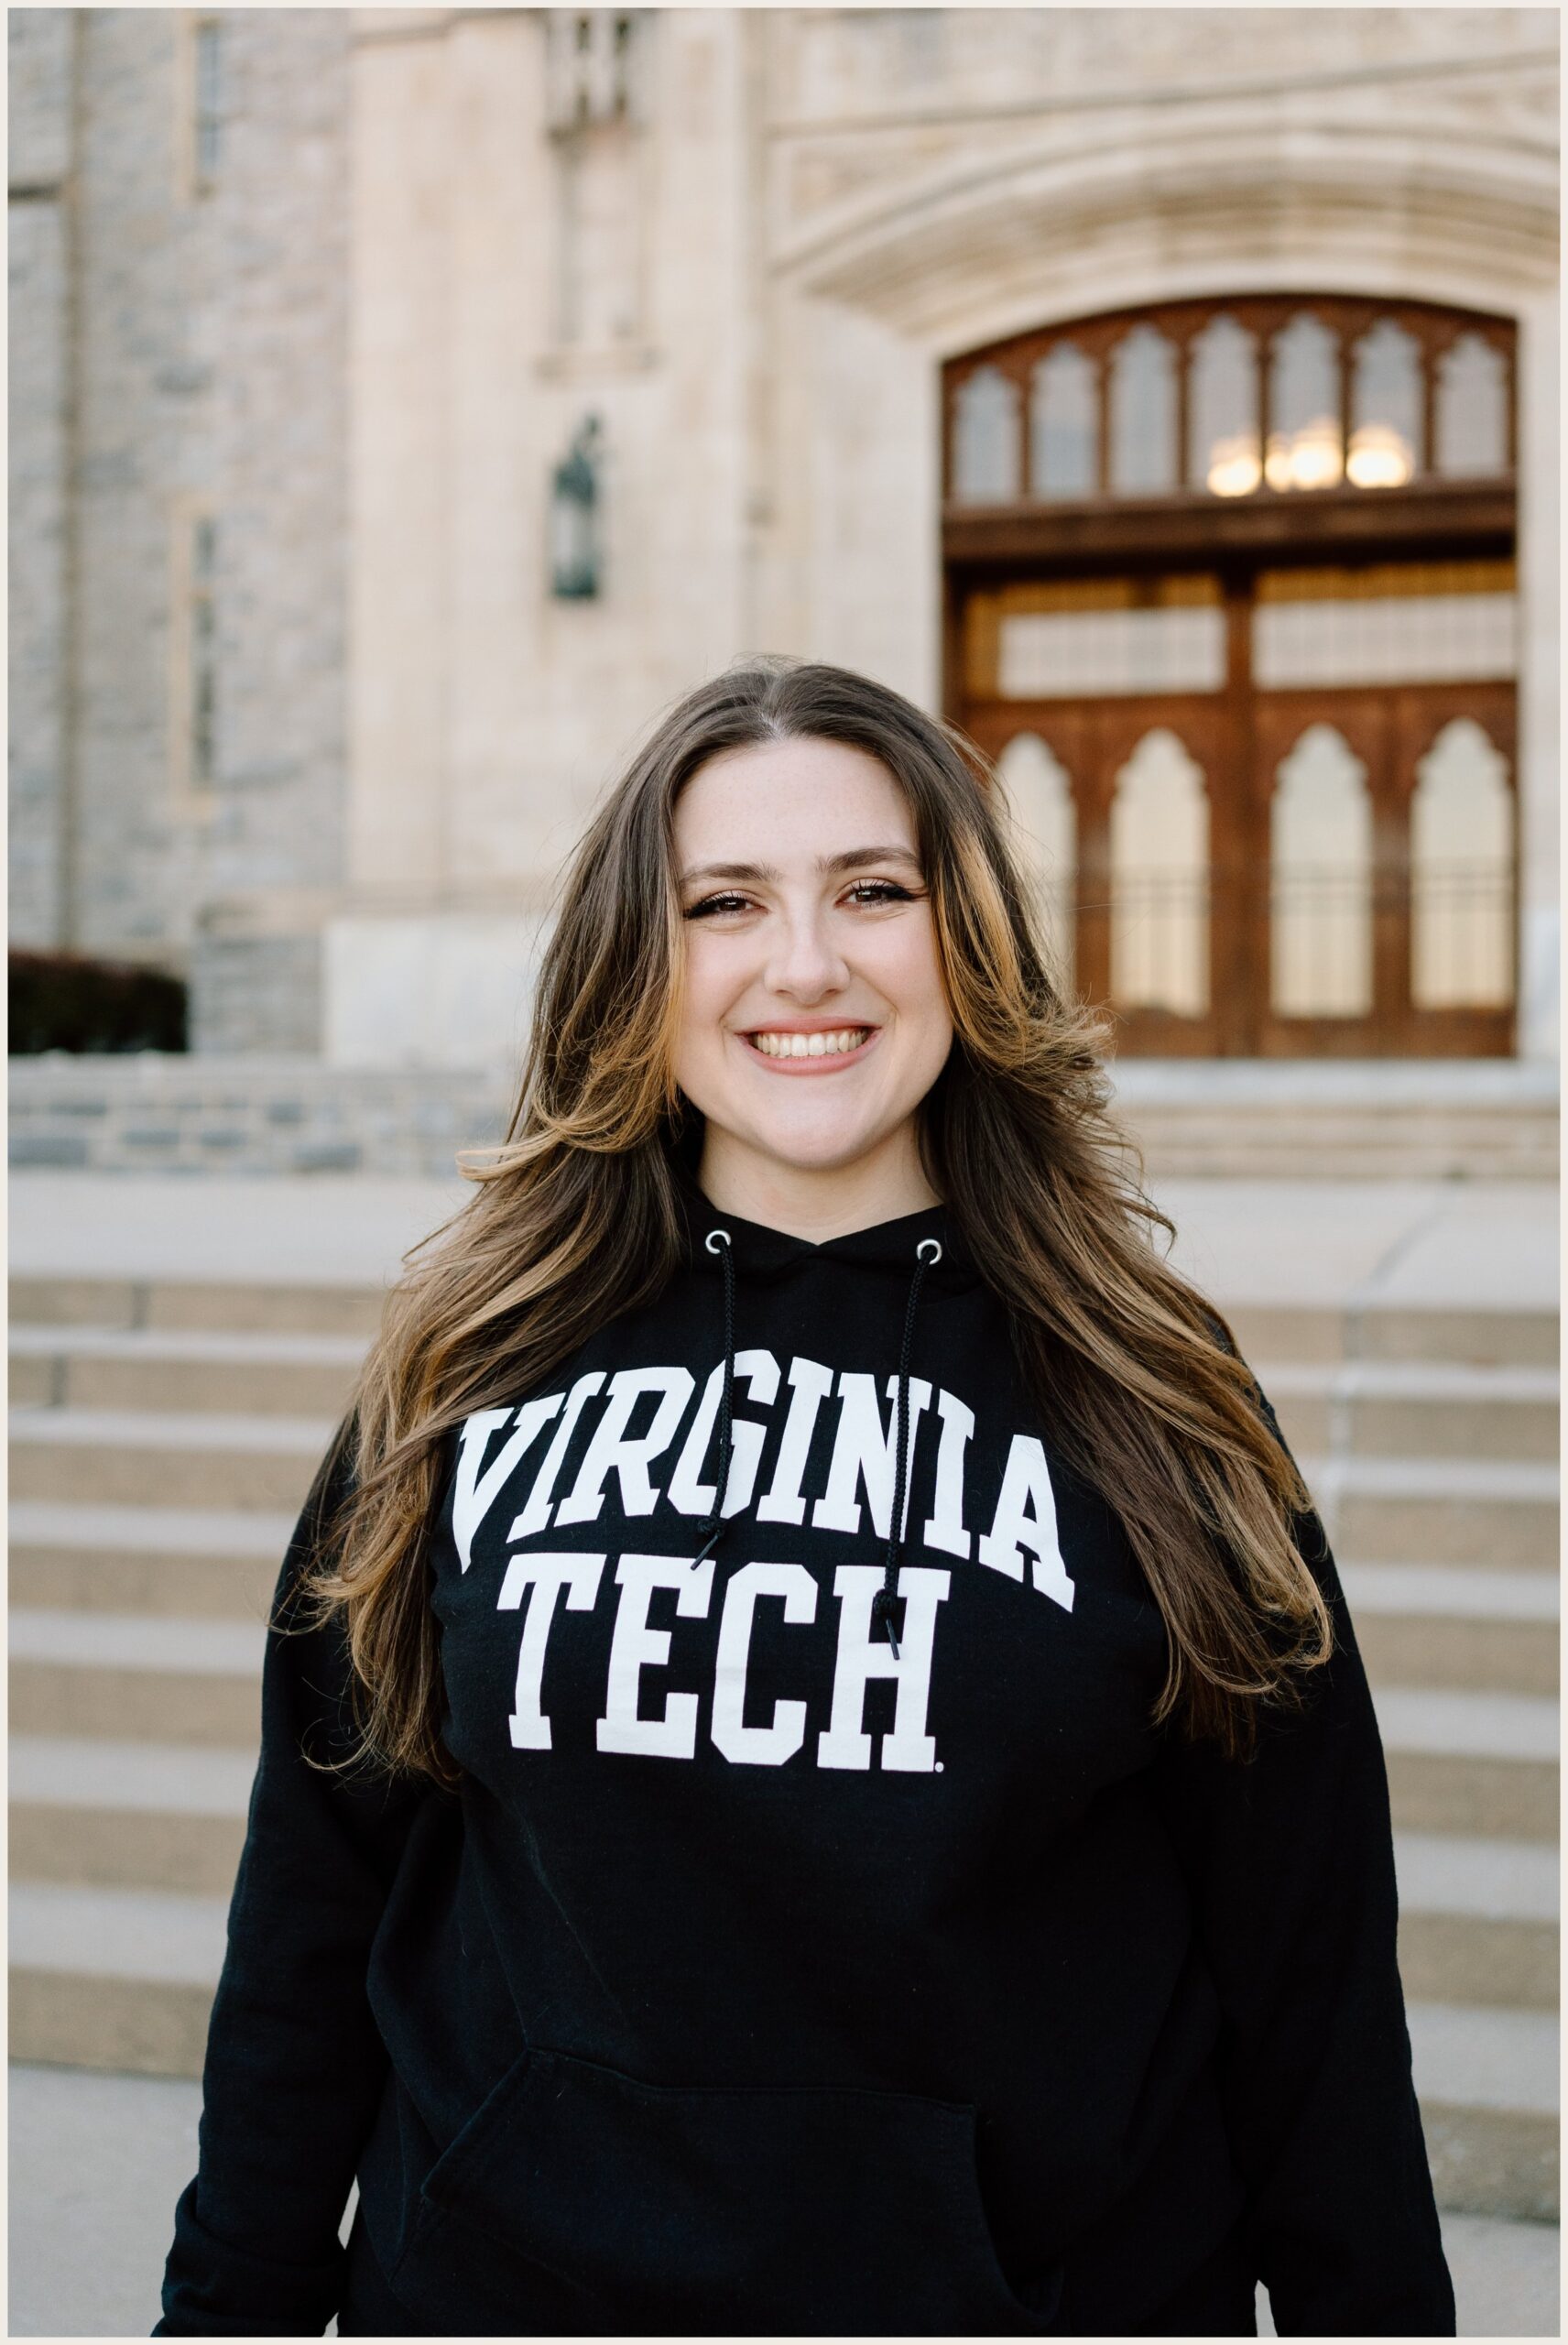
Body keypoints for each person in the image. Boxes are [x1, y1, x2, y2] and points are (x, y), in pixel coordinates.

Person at [157, 657, 1454, 2339]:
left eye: (873, 890)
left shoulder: (1151, 1389)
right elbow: (307, 1928)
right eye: (724, 903)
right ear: (640, 958)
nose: (807, 965)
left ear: (962, 935)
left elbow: (1312, 1981)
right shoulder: (468, 1369)